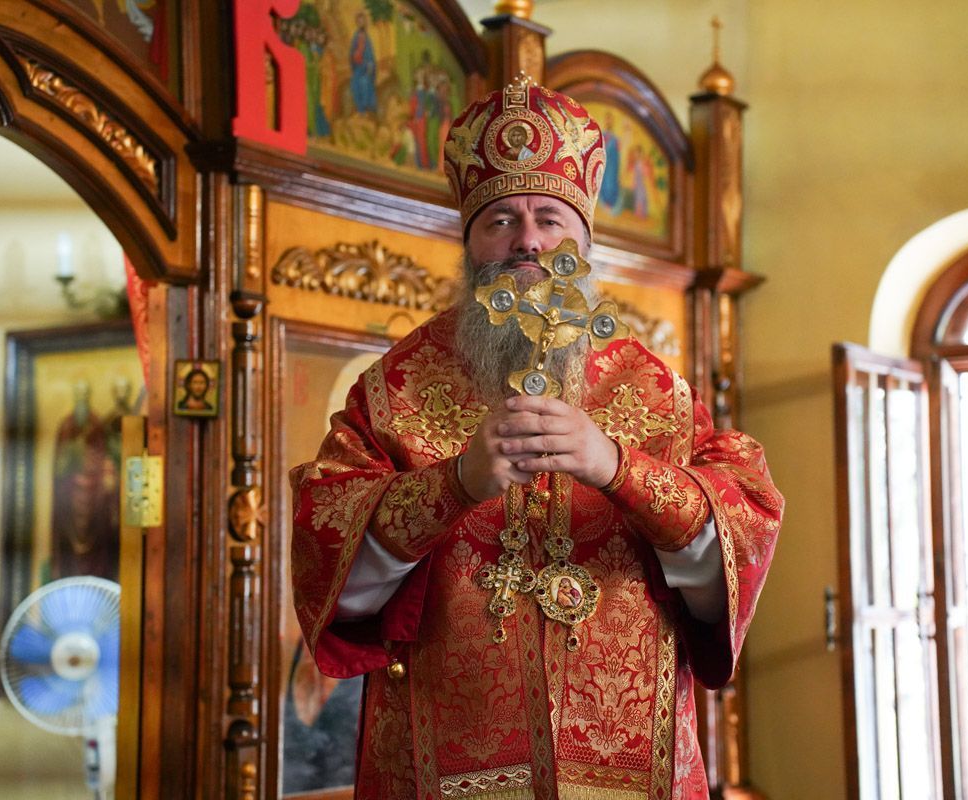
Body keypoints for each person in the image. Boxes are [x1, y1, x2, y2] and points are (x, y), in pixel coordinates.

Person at [291, 75, 782, 799]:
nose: (527, 240)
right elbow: (330, 564)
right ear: (469, 244)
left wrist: (616, 467)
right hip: (444, 768)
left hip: (627, 769)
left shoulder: (656, 392)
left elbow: (736, 544)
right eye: (501, 220)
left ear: (583, 242)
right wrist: (456, 484)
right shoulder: (394, 389)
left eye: (550, 217)